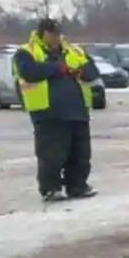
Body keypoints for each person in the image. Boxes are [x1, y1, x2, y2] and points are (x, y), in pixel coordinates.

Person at [15, 18, 100, 202]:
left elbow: (92, 70)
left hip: (77, 109)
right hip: (48, 110)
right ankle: (50, 188)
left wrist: (80, 72)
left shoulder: (74, 50)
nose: (55, 37)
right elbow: (29, 72)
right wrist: (57, 69)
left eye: (57, 33)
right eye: (51, 33)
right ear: (41, 33)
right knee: (52, 154)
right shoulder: (26, 52)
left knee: (80, 153)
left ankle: (77, 186)